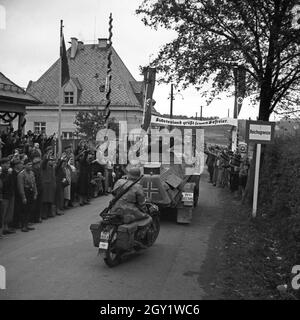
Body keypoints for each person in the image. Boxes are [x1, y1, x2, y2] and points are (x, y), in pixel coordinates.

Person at [17, 158, 37, 232]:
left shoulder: (32, 173)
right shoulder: (21, 174)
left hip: (31, 191)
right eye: (28, 164)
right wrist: (23, 197)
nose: (30, 166)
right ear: (24, 165)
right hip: (25, 192)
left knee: (29, 209)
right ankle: (23, 226)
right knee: (24, 209)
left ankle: (27, 224)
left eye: (31, 164)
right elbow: (20, 186)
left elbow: (34, 183)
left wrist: (35, 192)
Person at [0, 157, 15, 236]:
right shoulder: (1, 173)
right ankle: (1, 230)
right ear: (2, 164)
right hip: (4, 196)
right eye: (6, 163)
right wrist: (8, 175)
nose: (8, 165)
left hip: (10, 194)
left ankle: (6, 228)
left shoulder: (10, 172)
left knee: (9, 213)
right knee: (3, 214)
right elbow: (3, 184)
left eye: (8, 163)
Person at [32, 157, 43, 223]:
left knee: (39, 204)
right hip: (35, 189)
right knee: (34, 204)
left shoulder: (39, 170)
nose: (39, 165)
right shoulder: (33, 170)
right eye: (38, 163)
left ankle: (38, 217)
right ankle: (34, 218)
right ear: (35, 164)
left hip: (40, 188)